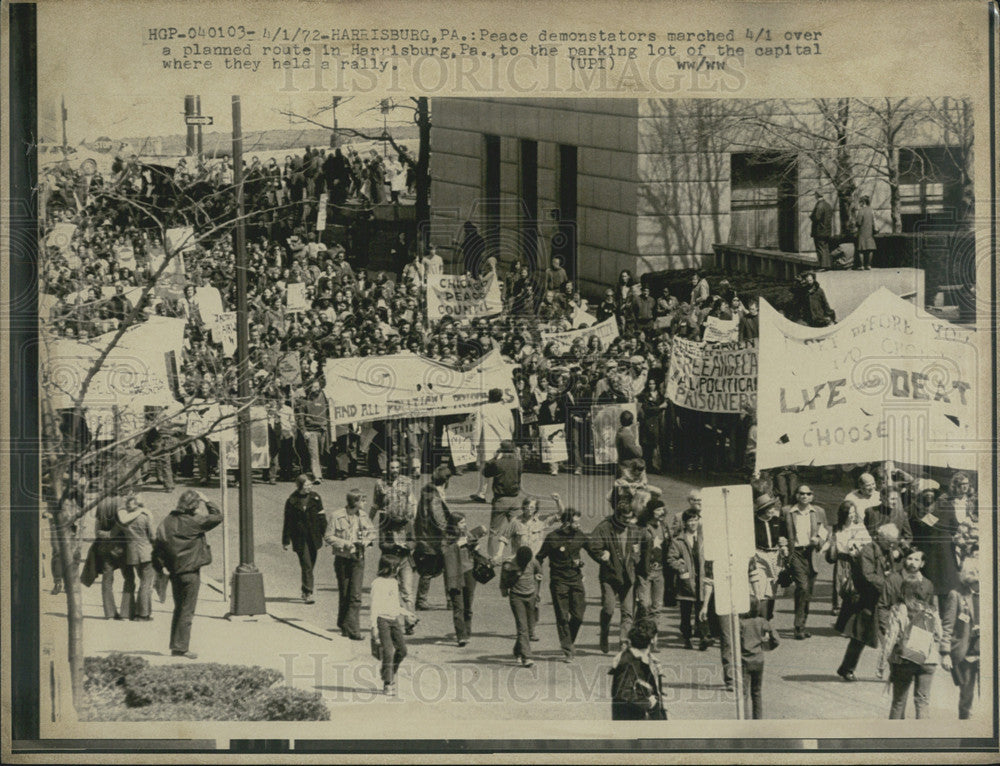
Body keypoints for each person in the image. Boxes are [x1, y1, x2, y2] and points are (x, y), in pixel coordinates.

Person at [152, 489, 222, 659]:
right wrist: (207, 500)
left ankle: (176, 644)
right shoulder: (194, 521)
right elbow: (217, 516)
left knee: (179, 608)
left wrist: (160, 568)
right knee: (187, 610)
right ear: (194, 506)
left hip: (175, 570)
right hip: (190, 570)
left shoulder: (167, 522)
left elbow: (158, 547)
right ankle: (181, 648)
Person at [878, 549, 943, 719]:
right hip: (927, 658)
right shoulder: (931, 610)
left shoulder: (899, 609)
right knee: (922, 702)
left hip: (904, 657)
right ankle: (923, 738)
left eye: (916, 559)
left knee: (899, 701)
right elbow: (939, 633)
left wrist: (882, 664)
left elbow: (891, 637)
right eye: (910, 558)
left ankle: (894, 739)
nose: (912, 562)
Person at [587, 491, 645, 654]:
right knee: (609, 609)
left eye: (630, 518)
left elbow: (639, 553)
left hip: (628, 576)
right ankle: (604, 633)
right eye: (625, 519)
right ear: (617, 516)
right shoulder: (604, 527)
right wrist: (602, 556)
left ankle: (623, 643)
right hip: (610, 576)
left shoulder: (634, 529)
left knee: (628, 612)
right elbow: (592, 545)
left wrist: (637, 553)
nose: (628, 522)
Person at [536, 505, 589, 662]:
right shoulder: (552, 538)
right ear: (566, 523)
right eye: (575, 523)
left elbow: (593, 549)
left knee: (578, 615)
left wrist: (605, 556)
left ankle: (568, 640)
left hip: (576, 579)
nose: (578, 525)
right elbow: (540, 556)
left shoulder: (579, 535)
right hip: (559, 581)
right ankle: (568, 649)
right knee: (562, 617)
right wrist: (537, 571)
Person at [371, 459, 418, 633]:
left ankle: (410, 620)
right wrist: (369, 522)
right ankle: (392, 621)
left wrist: (407, 544)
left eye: (398, 468)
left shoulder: (407, 483)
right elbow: (375, 504)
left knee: (407, 591)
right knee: (391, 590)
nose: (395, 471)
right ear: (387, 469)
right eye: (392, 468)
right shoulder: (380, 484)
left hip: (405, 557)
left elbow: (412, 501)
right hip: (390, 556)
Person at [325, 489, 376, 639]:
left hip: (358, 558)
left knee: (355, 595)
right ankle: (343, 624)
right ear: (355, 502)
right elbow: (328, 536)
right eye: (363, 500)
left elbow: (372, 532)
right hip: (342, 559)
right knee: (345, 593)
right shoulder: (337, 516)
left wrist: (366, 541)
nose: (365, 503)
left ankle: (353, 630)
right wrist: (345, 543)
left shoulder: (364, 516)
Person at [781, 484, 829, 639]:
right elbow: (781, 531)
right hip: (795, 553)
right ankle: (798, 627)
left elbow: (826, 531)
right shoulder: (787, 511)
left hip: (812, 553)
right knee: (802, 586)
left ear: (812, 496)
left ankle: (802, 624)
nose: (804, 496)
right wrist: (782, 544)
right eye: (801, 493)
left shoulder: (818, 512)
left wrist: (819, 540)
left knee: (808, 591)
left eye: (808, 494)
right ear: (797, 496)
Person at [369, 555, 416, 697]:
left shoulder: (394, 582)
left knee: (402, 650)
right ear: (388, 568)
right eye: (396, 567)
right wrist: (374, 627)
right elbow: (374, 606)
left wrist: (407, 613)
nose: (398, 569)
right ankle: (387, 683)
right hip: (382, 621)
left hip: (394, 620)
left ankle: (388, 672)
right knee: (388, 652)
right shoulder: (377, 583)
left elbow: (395, 604)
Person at [940, 557, 980, 719]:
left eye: (979, 572)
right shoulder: (956, 595)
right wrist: (945, 653)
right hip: (966, 654)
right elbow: (947, 625)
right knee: (966, 697)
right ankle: (966, 729)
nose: (977, 576)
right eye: (972, 572)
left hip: (988, 652)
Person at [667, 507, 710, 650]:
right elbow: (670, 559)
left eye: (695, 520)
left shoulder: (705, 538)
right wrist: (680, 568)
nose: (693, 523)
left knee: (702, 610)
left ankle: (704, 637)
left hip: (702, 580)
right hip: (686, 583)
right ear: (685, 523)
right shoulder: (678, 540)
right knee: (685, 614)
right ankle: (687, 637)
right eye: (690, 521)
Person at [608, 617, 667, 720]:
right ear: (652, 640)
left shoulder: (647, 659)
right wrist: (649, 703)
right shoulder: (628, 662)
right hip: (633, 720)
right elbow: (622, 694)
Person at [282, 474, 328, 604]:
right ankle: (308, 592)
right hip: (299, 538)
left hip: (314, 536)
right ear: (300, 485)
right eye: (307, 485)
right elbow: (288, 522)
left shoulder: (316, 498)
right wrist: (286, 540)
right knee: (306, 564)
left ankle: (305, 587)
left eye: (311, 485)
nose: (310, 487)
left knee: (310, 564)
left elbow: (322, 518)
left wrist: (327, 536)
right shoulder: (291, 500)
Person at [413, 465, 452, 610]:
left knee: (427, 571)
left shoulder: (427, 490)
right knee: (447, 569)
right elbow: (439, 518)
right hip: (435, 539)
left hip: (425, 537)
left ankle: (422, 599)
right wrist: (451, 530)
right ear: (446, 480)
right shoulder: (435, 495)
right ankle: (450, 600)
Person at [500, 545, 543, 667]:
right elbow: (504, 580)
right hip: (516, 597)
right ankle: (527, 657)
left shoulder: (533, 561)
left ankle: (518, 650)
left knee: (530, 626)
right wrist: (505, 588)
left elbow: (539, 573)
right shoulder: (509, 564)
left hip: (531, 596)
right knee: (522, 627)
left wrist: (537, 592)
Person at [116, 494, 156, 621]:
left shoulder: (124, 520)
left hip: (132, 553)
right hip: (146, 552)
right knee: (146, 583)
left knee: (140, 581)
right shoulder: (144, 517)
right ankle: (143, 614)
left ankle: (132, 612)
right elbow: (153, 536)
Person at [472, 389, 516, 501]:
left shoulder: (482, 409)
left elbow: (477, 428)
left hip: (489, 442)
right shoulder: (506, 409)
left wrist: (475, 443)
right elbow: (512, 427)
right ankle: (499, 494)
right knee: (501, 469)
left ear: (489, 397)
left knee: (485, 468)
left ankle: (482, 494)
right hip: (505, 443)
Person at [739, 597, 779, 719]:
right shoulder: (762, 621)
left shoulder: (740, 623)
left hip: (744, 660)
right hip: (759, 659)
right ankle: (758, 720)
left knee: (744, 694)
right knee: (757, 692)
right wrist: (765, 647)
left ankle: (745, 721)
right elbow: (776, 640)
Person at [442, 512, 477, 646]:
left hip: (469, 572)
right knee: (458, 606)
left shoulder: (467, 533)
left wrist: (474, 545)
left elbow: (474, 548)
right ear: (454, 524)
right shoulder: (446, 537)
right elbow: (444, 552)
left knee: (468, 605)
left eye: (464, 522)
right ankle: (461, 636)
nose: (464, 525)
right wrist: (457, 544)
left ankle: (467, 632)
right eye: (461, 522)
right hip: (454, 575)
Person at [634, 499, 668, 636]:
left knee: (657, 607)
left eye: (663, 509)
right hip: (645, 572)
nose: (662, 512)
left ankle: (653, 637)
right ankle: (640, 632)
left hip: (660, 571)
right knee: (644, 604)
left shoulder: (664, 527)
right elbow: (635, 549)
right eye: (658, 510)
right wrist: (637, 565)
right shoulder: (642, 527)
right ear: (651, 512)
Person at [94, 490, 128, 620]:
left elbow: (96, 528)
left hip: (104, 544)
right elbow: (123, 523)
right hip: (120, 545)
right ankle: (126, 611)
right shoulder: (120, 502)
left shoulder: (101, 502)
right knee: (128, 577)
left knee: (107, 579)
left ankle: (109, 612)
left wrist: (102, 535)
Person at [752, 493, 787, 620]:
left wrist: (784, 544)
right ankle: (761, 620)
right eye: (769, 508)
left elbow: (783, 537)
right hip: (759, 556)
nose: (772, 510)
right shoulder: (753, 523)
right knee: (762, 591)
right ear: (762, 510)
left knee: (772, 592)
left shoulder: (777, 521)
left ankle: (768, 619)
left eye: (773, 507)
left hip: (775, 557)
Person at [809, 190, 834, 269]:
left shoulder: (819, 205)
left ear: (817, 195)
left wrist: (811, 216)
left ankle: (822, 266)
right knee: (825, 247)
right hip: (827, 230)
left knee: (820, 248)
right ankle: (827, 264)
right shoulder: (828, 205)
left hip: (819, 230)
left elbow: (817, 217)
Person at [614, 410, 642, 478]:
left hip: (622, 466)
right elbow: (638, 454)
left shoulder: (620, 431)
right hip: (628, 469)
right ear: (631, 421)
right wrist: (638, 445)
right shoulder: (627, 435)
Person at [855, 195, 876, 270]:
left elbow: (858, 222)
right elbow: (874, 221)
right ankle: (869, 265)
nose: (859, 204)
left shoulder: (861, 211)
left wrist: (856, 223)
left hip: (862, 232)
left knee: (861, 249)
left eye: (860, 202)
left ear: (863, 202)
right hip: (870, 232)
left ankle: (862, 265)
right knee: (870, 248)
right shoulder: (871, 210)